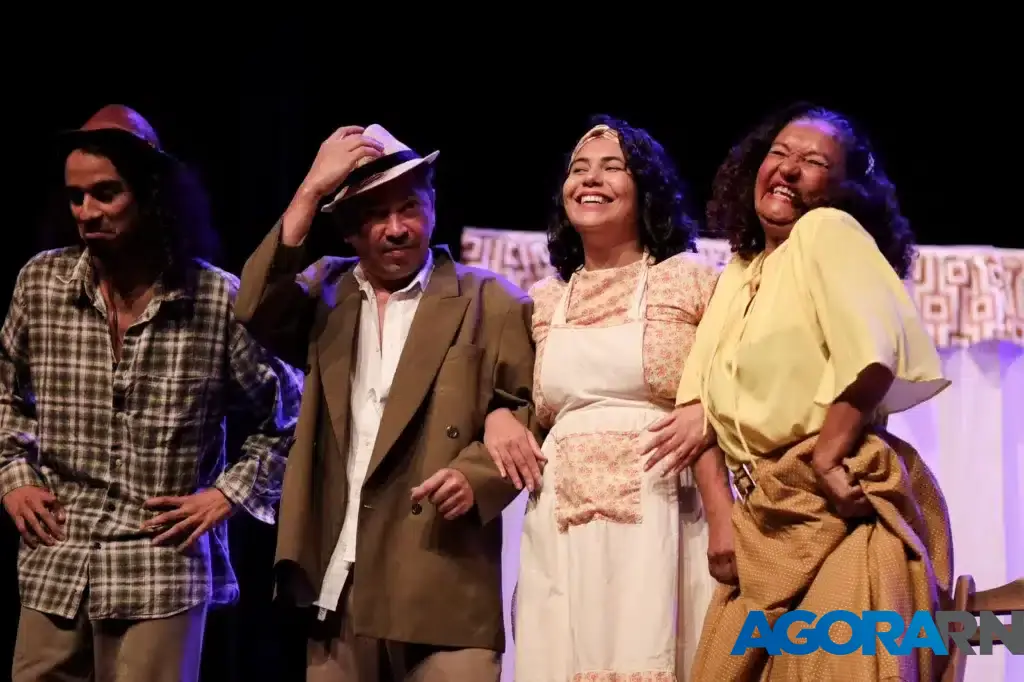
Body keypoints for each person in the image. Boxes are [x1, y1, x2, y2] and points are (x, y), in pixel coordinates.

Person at [649, 102, 955, 681]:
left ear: (844, 190)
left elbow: (872, 354)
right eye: (779, 153)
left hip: (836, 508)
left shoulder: (826, 230)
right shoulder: (741, 269)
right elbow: (697, 412)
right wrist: (721, 518)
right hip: (764, 520)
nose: (788, 169)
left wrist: (828, 454)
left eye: (814, 162)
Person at [0, 105, 303, 682]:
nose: (87, 212)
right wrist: (15, 477)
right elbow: (7, 395)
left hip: (158, 568)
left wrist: (227, 495)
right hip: (56, 560)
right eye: (75, 197)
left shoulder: (213, 299)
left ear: (150, 193)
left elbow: (292, 413)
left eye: (106, 194)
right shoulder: (41, 283)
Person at [235, 124, 537, 681]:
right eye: (376, 215)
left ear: (433, 206)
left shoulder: (490, 300)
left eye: (410, 208)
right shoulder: (324, 293)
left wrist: (477, 475)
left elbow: (532, 409)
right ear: (350, 230)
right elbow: (252, 306)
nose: (397, 229)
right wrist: (309, 192)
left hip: (441, 575)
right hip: (340, 580)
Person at [485, 115, 732, 681]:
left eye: (612, 167)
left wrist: (707, 408)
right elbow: (512, 395)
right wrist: (499, 415)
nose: (590, 180)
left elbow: (740, 377)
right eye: (579, 169)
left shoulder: (692, 279)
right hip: (563, 520)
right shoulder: (542, 301)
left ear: (645, 188)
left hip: (667, 513)